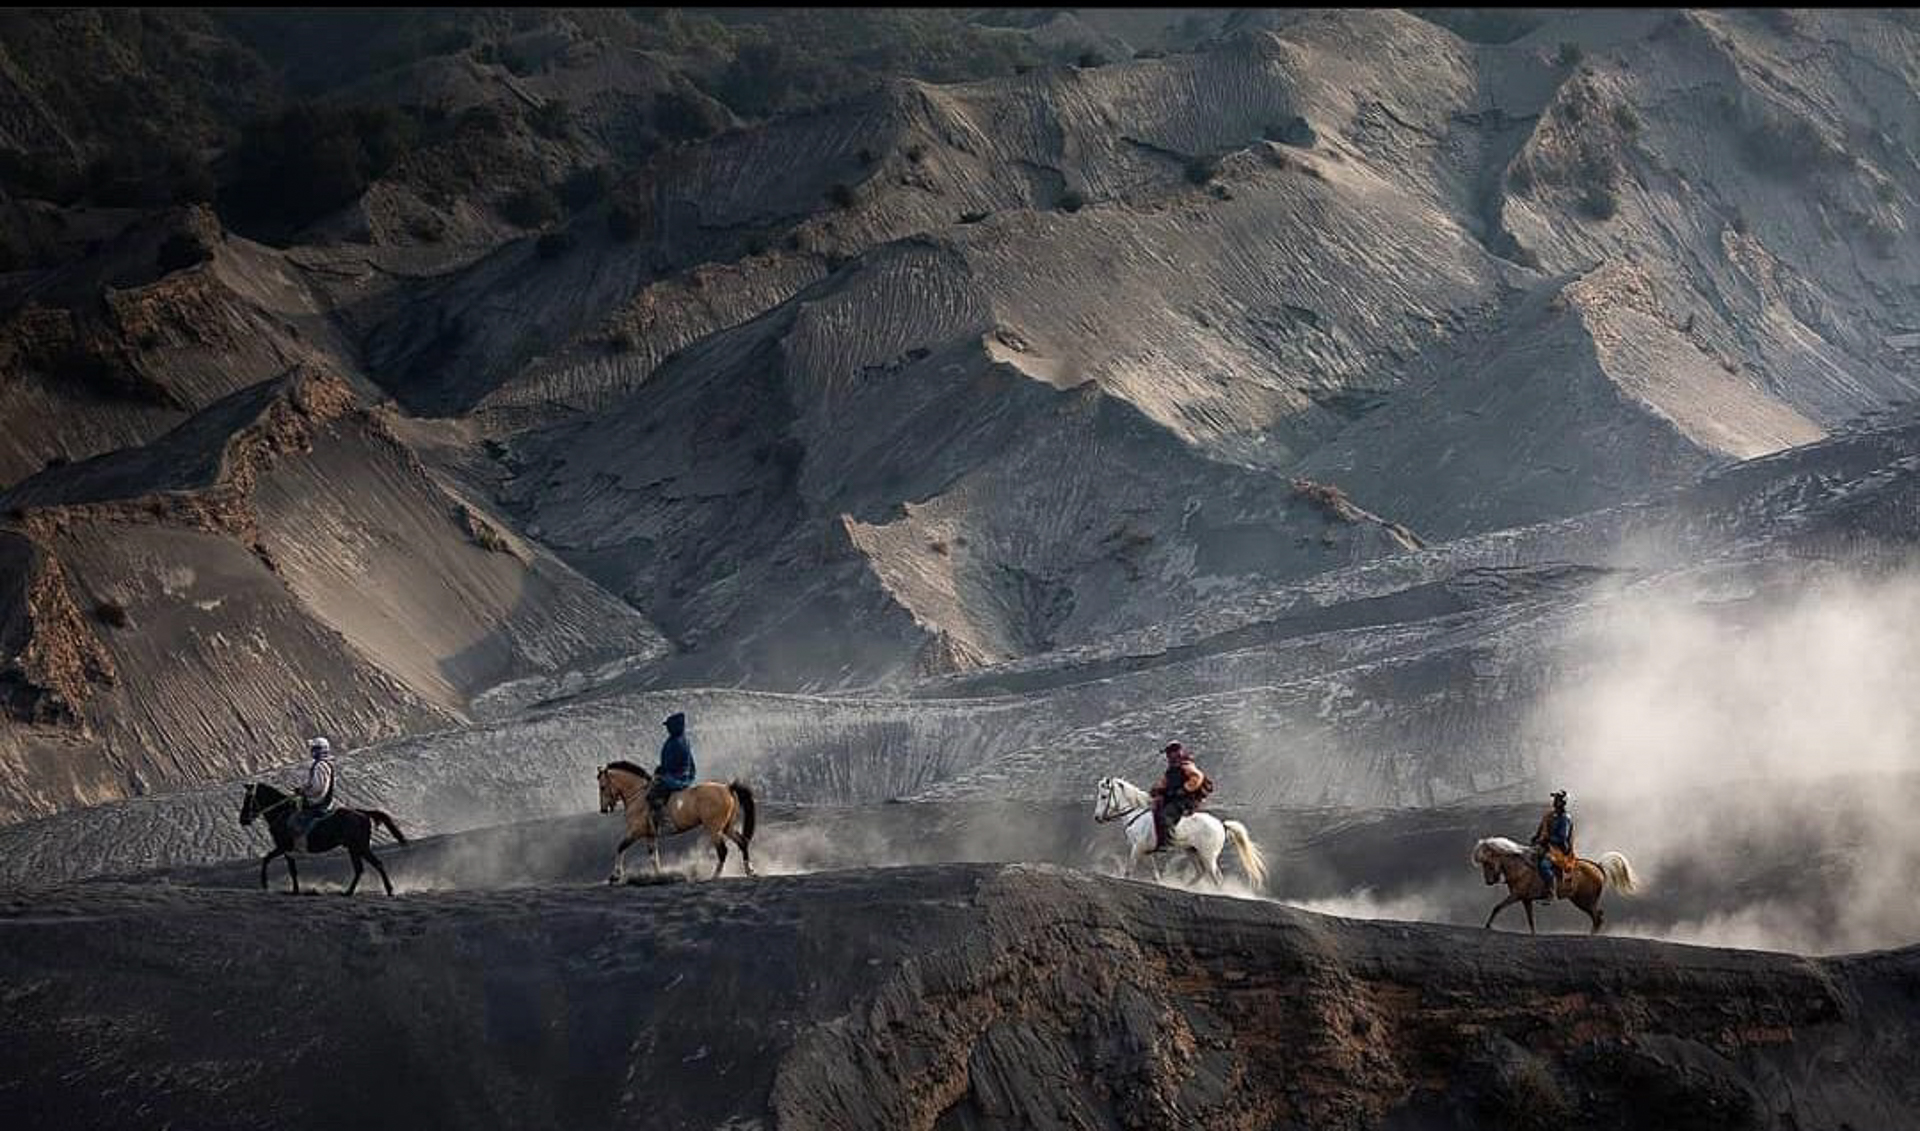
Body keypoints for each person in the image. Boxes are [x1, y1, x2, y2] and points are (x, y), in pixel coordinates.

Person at [1149, 741, 1212, 850]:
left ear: (1176, 752)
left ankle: (1168, 842)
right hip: (1176, 799)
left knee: (1165, 815)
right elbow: (1164, 782)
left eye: (1169, 753)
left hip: (1186, 800)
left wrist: (1184, 789)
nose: (1167, 756)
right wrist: (1156, 790)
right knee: (1156, 809)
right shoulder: (1172, 768)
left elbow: (1197, 777)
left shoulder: (1186, 765)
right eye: (1167, 753)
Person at [648, 712, 696, 837]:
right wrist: (661, 769)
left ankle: (667, 824)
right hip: (673, 773)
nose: (667, 729)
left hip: (681, 777)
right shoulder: (674, 739)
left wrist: (665, 774)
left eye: (669, 726)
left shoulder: (679, 743)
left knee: (653, 795)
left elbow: (681, 765)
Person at [1530, 790, 1575, 902]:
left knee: (1544, 865)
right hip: (1547, 846)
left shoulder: (1565, 818)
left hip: (1559, 850)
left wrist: (1546, 839)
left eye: (1557, 800)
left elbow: (1562, 838)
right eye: (1555, 800)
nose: (1554, 802)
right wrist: (1536, 838)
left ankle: (1551, 892)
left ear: (1563, 803)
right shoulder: (1549, 816)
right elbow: (1541, 831)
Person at [290, 736, 336, 844]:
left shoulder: (320, 766)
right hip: (321, 800)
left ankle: (302, 842)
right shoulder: (324, 764)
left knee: (298, 819)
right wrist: (303, 788)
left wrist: (304, 793)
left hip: (319, 802)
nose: (312, 751)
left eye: (314, 748)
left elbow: (318, 788)